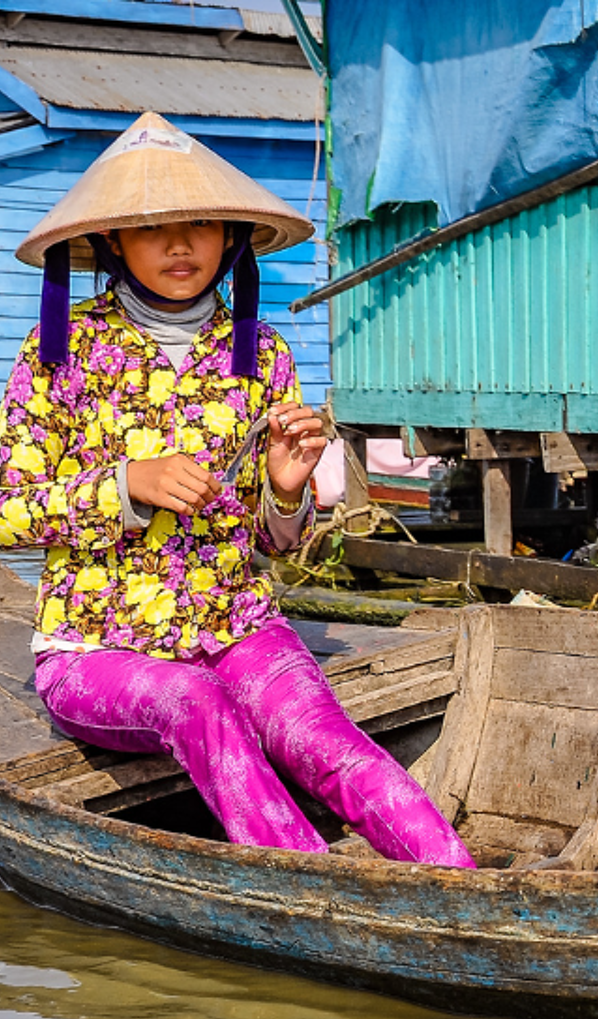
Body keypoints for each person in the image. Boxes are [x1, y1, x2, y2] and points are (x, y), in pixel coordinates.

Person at [2, 112, 475, 868]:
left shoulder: (262, 356)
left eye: (199, 224)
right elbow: (10, 510)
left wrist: (286, 493)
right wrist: (127, 485)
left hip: (237, 627)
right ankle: (311, 893)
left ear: (230, 237)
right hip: (95, 650)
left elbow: (275, 544)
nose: (180, 245)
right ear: (114, 241)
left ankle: (457, 884)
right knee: (195, 703)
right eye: (153, 227)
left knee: (326, 740)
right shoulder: (61, 352)